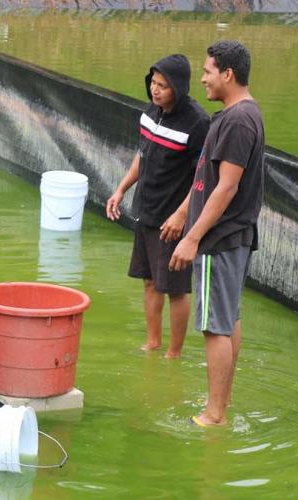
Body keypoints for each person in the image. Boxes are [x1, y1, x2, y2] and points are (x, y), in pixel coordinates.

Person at [166, 40, 265, 426]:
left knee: (214, 327)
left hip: (218, 238)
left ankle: (215, 413)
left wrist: (193, 237)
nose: (203, 78)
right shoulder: (234, 115)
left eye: (208, 71)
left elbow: (226, 186)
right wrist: (180, 213)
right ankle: (220, 403)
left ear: (228, 74)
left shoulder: (239, 120)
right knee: (227, 320)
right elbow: (206, 180)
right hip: (231, 236)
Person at [107, 54, 209, 358]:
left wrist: (181, 215)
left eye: (163, 85)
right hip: (146, 211)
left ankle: (173, 353)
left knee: (176, 289)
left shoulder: (198, 122)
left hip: (173, 220)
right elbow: (143, 154)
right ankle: (153, 342)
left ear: (178, 87)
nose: (156, 90)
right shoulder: (151, 112)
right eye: (153, 83)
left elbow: (204, 177)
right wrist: (122, 188)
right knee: (150, 281)